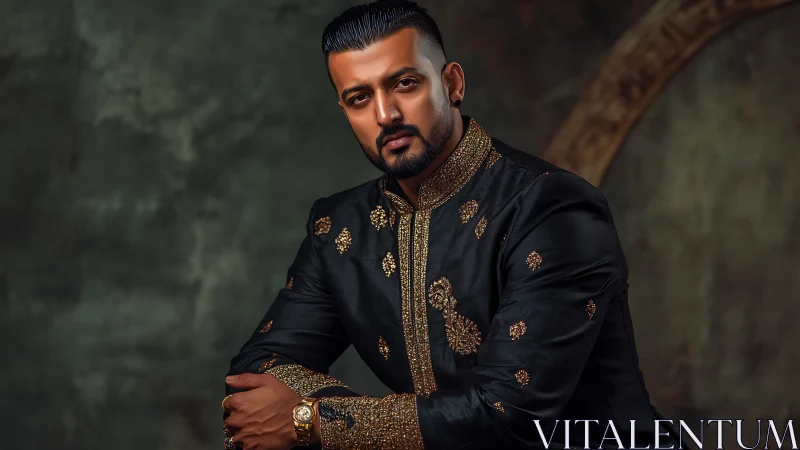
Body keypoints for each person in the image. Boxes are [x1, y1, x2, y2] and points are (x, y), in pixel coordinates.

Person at [221, 1, 678, 449]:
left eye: (403, 84)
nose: (386, 115)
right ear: (345, 112)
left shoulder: (549, 207)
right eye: (360, 98)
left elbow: (506, 415)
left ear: (452, 83)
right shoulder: (340, 228)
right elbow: (257, 372)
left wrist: (311, 418)